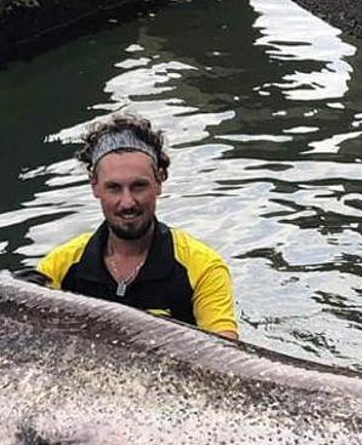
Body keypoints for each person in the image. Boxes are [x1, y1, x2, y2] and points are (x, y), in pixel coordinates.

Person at [26, 115, 239, 339]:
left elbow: (229, 358)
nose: (127, 202)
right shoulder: (59, 267)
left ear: (159, 181)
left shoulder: (204, 268)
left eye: (139, 186)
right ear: (94, 186)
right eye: (114, 188)